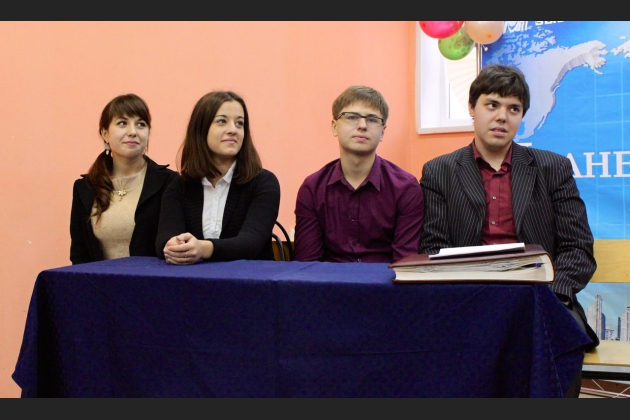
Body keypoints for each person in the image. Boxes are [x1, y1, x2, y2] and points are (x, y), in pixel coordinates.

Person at [419, 64, 598, 397]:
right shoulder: (439, 171)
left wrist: (553, 295)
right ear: (472, 108)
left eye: (513, 109)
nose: (502, 116)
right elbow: (433, 247)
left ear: (521, 116)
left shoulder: (552, 167)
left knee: (561, 339)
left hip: (542, 298)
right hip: (468, 297)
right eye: (492, 105)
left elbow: (578, 248)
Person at [294, 85, 424, 263]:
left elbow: (405, 265)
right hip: (327, 280)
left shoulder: (406, 188)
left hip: (387, 281)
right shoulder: (312, 189)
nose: (362, 125)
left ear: (382, 132)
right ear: (334, 127)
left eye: (372, 119)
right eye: (352, 117)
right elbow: (307, 264)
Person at [156, 91, 280, 264]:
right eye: (222, 121)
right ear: (201, 128)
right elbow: (164, 237)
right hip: (194, 278)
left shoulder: (264, 182)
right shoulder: (179, 186)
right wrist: (172, 245)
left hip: (251, 278)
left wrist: (202, 249)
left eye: (239, 123)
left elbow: (251, 243)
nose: (233, 130)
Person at [70, 93, 179, 264]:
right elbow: (79, 255)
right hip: (99, 280)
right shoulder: (85, 187)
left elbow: (175, 245)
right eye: (122, 123)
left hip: (153, 279)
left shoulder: (169, 182)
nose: (133, 132)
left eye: (141, 124)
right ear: (105, 133)